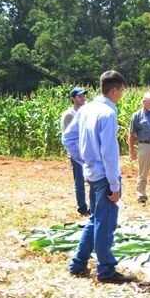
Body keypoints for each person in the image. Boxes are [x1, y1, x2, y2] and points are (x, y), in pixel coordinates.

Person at [62, 71, 135, 283]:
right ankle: (106, 269)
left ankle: (78, 263)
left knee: (95, 218)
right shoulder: (107, 114)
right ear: (114, 90)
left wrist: (83, 160)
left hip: (92, 173)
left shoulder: (86, 110)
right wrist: (115, 185)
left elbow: (68, 137)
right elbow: (109, 154)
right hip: (104, 175)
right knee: (106, 222)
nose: (121, 95)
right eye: (121, 91)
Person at [60, 86, 90, 216]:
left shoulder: (88, 111)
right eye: (79, 96)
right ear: (73, 99)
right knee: (79, 180)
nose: (83, 98)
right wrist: (70, 151)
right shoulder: (69, 115)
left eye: (84, 95)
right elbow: (66, 135)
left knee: (93, 179)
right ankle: (82, 207)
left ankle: (93, 207)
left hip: (89, 150)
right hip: (77, 151)